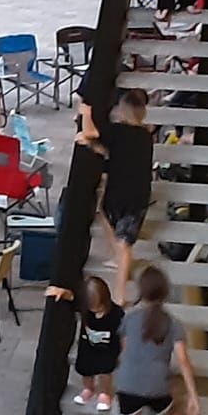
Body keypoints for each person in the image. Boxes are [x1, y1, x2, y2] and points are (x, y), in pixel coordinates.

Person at [116, 264, 200, 415]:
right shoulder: (173, 324)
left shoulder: (129, 318)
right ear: (165, 292)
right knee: (177, 402)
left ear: (141, 291)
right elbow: (183, 361)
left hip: (128, 385)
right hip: (157, 388)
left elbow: (124, 351)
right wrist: (194, 395)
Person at [79, 87, 153, 304]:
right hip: (138, 195)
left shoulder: (117, 132)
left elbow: (90, 132)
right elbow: (119, 154)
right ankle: (119, 261)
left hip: (117, 194)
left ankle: (120, 296)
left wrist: (85, 113)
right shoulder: (145, 136)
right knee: (120, 237)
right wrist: (96, 147)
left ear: (122, 111)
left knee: (123, 245)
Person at [73, 275, 124, 412]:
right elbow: (72, 300)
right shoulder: (84, 309)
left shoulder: (116, 313)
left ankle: (104, 393)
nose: (96, 310)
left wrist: (124, 351)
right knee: (85, 369)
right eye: (91, 308)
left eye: (99, 307)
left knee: (105, 371)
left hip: (108, 348)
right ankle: (88, 388)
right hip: (87, 345)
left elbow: (123, 332)